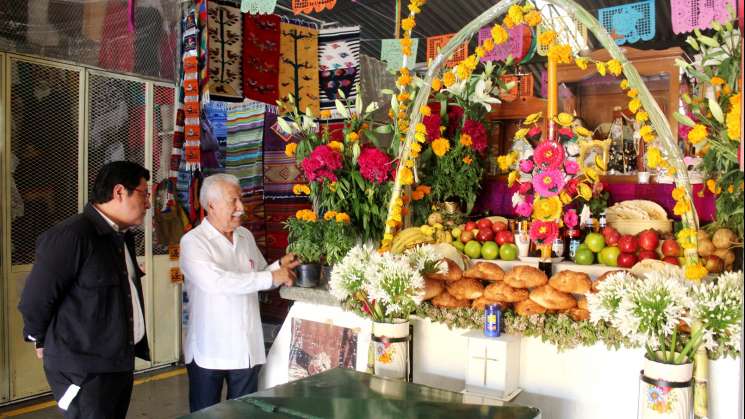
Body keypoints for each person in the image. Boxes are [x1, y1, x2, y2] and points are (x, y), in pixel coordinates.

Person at [18, 161, 152, 418]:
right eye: (144, 194)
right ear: (120, 192)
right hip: (84, 371)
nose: (148, 203)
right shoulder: (72, 236)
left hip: (118, 363)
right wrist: (39, 337)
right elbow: (35, 299)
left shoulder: (120, 237)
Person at [179, 173, 299, 412]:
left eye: (240, 200)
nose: (241, 208)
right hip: (209, 349)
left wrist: (279, 266)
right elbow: (217, 282)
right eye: (233, 201)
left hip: (245, 347)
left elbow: (259, 274)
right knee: (206, 415)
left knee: (245, 414)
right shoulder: (193, 242)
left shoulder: (244, 236)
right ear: (211, 205)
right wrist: (270, 276)